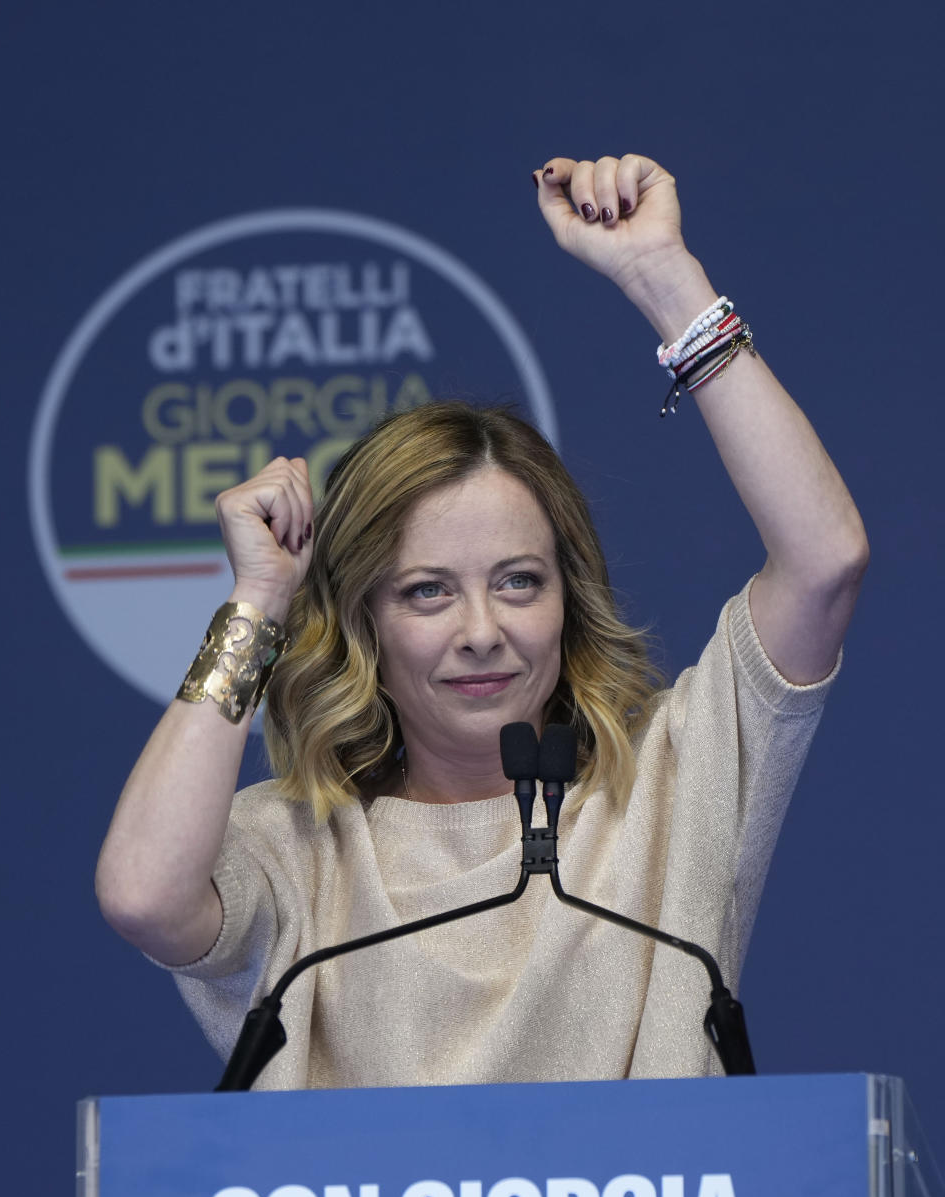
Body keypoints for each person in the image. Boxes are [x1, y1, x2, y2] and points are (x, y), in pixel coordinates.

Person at [96, 152, 868, 1087]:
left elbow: (824, 563)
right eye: (426, 591)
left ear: (568, 596)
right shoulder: (295, 844)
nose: (480, 630)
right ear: (364, 621)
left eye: (517, 582)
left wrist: (665, 280)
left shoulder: (676, 778)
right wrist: (258, 599)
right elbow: (143, 895)